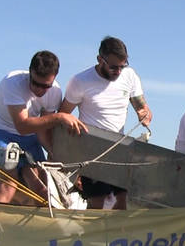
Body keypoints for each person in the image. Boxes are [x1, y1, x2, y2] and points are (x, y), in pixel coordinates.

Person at [59, 36, 152, 210]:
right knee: (97, 202)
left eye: (122, 66)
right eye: (113, 67)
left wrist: (143, 114)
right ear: (100, 60)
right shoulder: (80, 81)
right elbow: (63, 115)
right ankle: (91, 236)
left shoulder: (129, 76)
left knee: (123, 200)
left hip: (119, 148)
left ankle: (118, 235)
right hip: (92, 149)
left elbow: (142, 107)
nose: (118, 71)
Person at [0, 50, 87, 204]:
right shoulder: (12, 83)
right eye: (36, 83)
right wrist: (60, 117)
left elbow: (43, 128)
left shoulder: (54, 91)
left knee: (43, 189)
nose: (40, 90)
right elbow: (22, 126)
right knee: (9, 185)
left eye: (46, 86)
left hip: (30, 136)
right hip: (0, 131)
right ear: (30, 73)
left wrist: (53, 153)